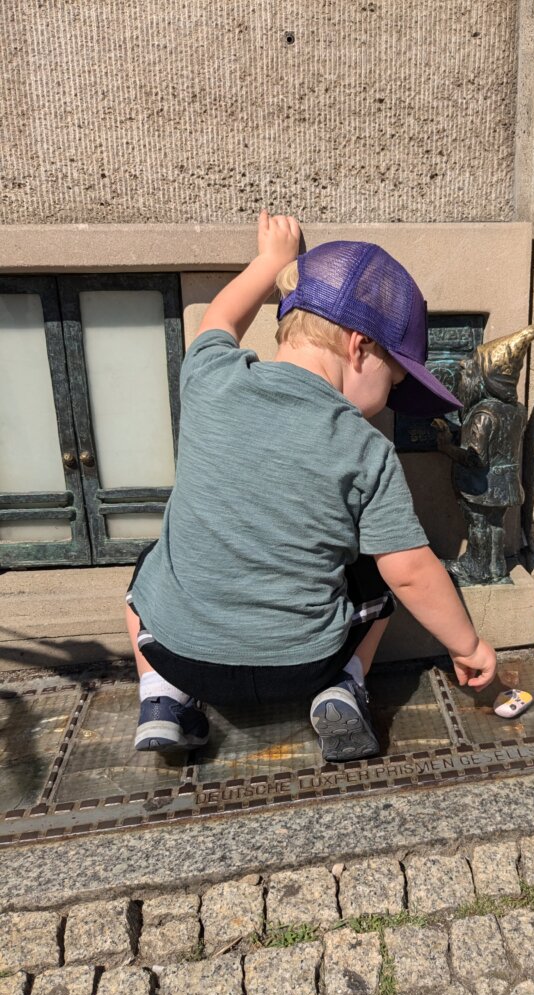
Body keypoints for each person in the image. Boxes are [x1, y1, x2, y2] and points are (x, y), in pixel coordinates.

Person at [126, 211, 497, 763]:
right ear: (359, 347)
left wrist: (270, 261)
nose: (390, 401)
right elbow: (411, 571)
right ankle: (344, 686)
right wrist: (467, 645)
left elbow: (219, 318)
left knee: (149, 566)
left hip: (180, 653)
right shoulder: (367, 449)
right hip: (302, 665)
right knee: (376, 582)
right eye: (394, 381)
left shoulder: (210, 379)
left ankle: (162, 697)